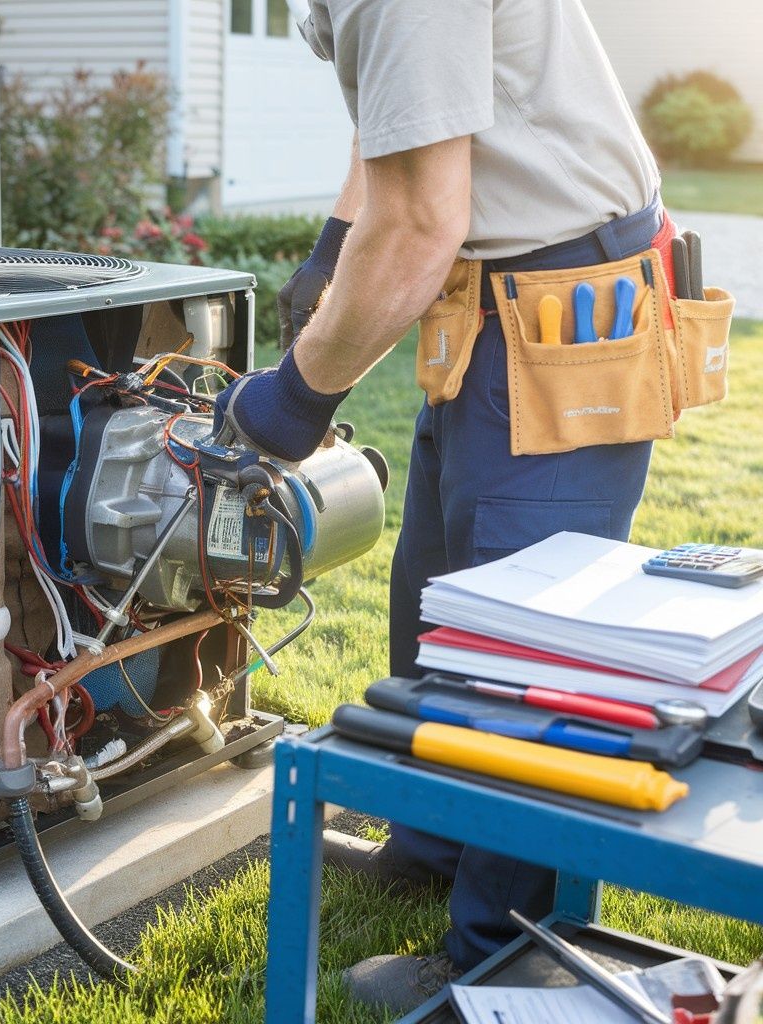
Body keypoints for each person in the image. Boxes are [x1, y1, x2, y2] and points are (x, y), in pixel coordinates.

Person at [214, 0, 679, 1015]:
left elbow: (423, 217)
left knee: (524, 665)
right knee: (435, 605)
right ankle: (429, 845)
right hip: (486, 294)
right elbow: (403, 117)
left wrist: (289, 401)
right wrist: (341, 240)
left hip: (563, 303)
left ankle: (497, 956)